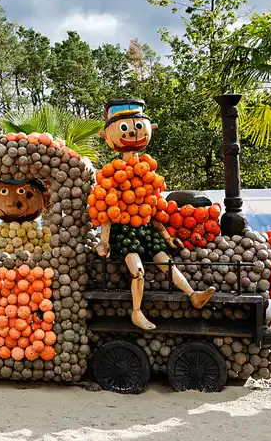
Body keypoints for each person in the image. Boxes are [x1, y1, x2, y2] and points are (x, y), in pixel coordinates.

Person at [91, 99, 215, 330]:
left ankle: (193, 295)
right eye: (125, 128)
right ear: (106, 136)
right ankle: (136, 312)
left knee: (167, 264)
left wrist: (167, 237)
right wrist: (104, 242)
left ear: (150, 129)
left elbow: (154, 209)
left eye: (138, 127)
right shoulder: (112, 175)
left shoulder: (148, 173)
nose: (133, 134)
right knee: (138, 271)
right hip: (124, 232)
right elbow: (107, 211)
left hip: (146, 229)